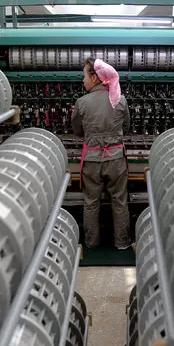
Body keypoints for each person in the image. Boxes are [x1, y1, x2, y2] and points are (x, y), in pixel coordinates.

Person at [72, 57, 131, 250]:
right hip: (116, 160)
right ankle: (122, 243)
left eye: (84, 76)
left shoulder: (81, 103)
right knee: (120, 201)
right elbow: (127, 127)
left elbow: (78, 131)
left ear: (95, 78)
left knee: (91, 202)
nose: (83, 81)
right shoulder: (120, 100)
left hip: (92, 161)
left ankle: (91, 243)